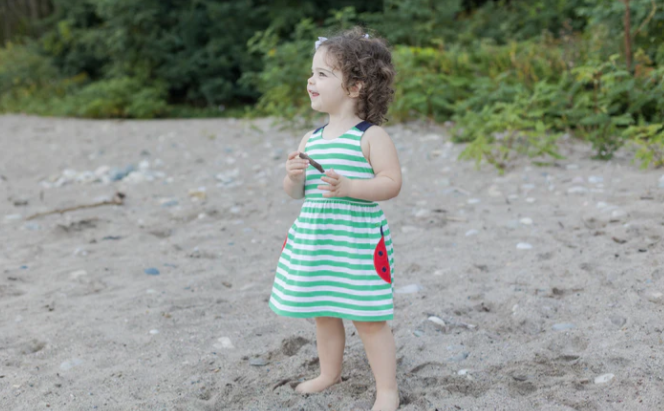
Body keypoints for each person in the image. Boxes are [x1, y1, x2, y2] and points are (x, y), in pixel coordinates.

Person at [268, 27, 402, 411]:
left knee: (369, 316)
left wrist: (351, 188)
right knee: (323, 311)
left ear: (356, 86)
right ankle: (329, 373)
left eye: (323, 74)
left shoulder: (370, 137)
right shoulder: (311, 138)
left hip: (356, 240)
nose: (311, 81)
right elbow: (298, 194)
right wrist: (293, 178)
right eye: (312, 73)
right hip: (318, 239)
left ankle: (387, 390)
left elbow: (391, 183)